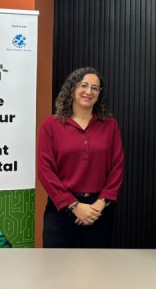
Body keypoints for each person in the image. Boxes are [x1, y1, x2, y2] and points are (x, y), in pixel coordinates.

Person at [37, 67, 125, 248]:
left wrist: (101, 203)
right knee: (57, 265)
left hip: (98, 211)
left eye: (95, 88)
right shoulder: (51, 124)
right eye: (83, 85)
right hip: (61, 209)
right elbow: (45, 171)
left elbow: (117, 166)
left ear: (99, 94)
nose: (89, 91)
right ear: (72, 88)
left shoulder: (110, 124)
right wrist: (73, 206)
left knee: (96, 265)